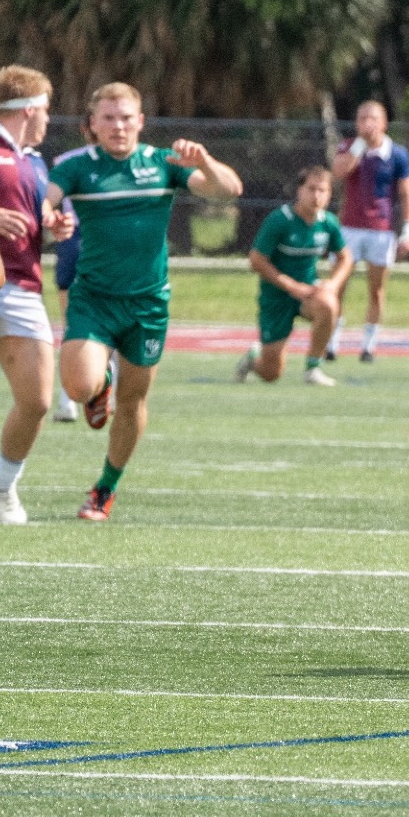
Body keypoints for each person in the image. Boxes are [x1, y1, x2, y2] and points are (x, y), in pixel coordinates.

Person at [50, 82, 243, 521]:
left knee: (135, 402)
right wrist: (51, 220)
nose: (118, 126)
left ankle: (105, 489)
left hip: (148, 305)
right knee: (78, 387)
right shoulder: (78, 167)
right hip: (94, 299)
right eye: (108, 118)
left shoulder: (162, 163)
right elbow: (46, 203)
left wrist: (205, 162)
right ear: (92, 125)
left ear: (140, 122)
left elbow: (228, 190)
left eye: (126, 118)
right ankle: (100, 387)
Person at [0, 66, 75, 525]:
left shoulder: (35, 160)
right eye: (47, 109)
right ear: (30, 109)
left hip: (23, 282)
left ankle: (3, 484)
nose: (49, 119)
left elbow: (36, 213)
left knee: (38, 402)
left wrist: (54, 223)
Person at [235, 166, 352, 386]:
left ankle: (313, 368)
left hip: (307, 292)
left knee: (328, 304)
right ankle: (253, 360)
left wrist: (333, 285)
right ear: (299, 190)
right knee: (272, 374)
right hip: (276, 296)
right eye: (311, 189)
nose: (316, 196)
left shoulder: (328, 222)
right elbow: (256, 260)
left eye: (322, 190)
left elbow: (345, 258)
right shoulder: (280, 220)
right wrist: (290, 286)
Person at [327, 100, 409, 363]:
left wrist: (408, 229)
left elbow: (408, 192)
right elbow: (339, 172)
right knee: (338, 285)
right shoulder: (348, 147)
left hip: (380, 230)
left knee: (376, 289)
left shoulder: (397, 154)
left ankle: (368, 345)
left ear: (384, 123)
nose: (368, 123)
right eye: (363, 117)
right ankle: (331, 343)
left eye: (373, 118)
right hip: (348, 229)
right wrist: (359, 144)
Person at [50, 126, 96, 423]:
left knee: (73, 323)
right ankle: (100, 393)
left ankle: (70, 401)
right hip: (80, 239)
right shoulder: (68, 162)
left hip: (79, 241)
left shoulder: (66, 161)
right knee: (109, 321)